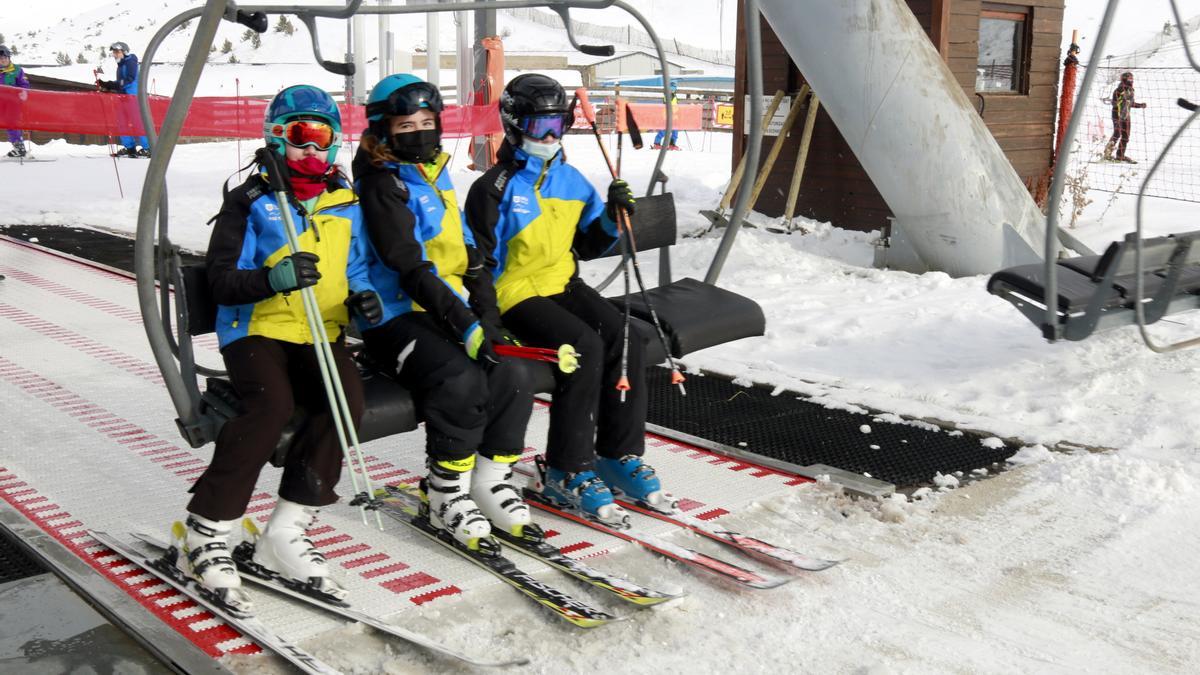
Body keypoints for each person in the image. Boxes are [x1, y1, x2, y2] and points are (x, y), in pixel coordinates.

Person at [177, 84, 379, 612]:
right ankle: (206, 529)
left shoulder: (345, 200)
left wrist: (363, 301)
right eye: (299, 137)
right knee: (271, 407)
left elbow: (356, 270)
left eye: (321, 138)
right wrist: (273, 278)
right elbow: (222, 281)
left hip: (319, 331)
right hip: (256, 328)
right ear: (276, 138)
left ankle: (285, 530)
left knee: (346, 404)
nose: (311, 150)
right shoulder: (251, 201)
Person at [464, 73, 670, 526]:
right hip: (515, 292)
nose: (551, 136)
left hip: (561, 284)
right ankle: (566, 467)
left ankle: (616, 454)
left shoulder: (571, 180)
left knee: (627, 335)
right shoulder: (494, 188)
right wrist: (487, 318)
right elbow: (477, 263)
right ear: (516, 126)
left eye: (559, 124)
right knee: (582, 347)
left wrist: (615, 218)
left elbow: (591, 244)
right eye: (541, 126)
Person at [352, 74, 535, 549]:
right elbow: (408, 265)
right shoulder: (380, 182)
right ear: (382, 129)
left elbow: (466, 249)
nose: (420, 132)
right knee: (460, 378)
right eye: (406, 124)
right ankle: (444, 491)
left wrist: (488, 322)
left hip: (441, 304)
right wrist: (466, 325)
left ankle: (490, 479)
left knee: (512, 368)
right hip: (393, 314)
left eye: (428, 122)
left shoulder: (433, 168)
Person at [97, 42, 150, 157]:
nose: (115, 54)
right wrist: (108, 86)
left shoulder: (130, 62)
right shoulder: (121, 65)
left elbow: (129, 79)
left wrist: (111, 84)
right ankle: (130, 147)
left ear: (124, 52)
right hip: (123, 97)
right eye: (114, 52)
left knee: (137, 123)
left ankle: (148, 148)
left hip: (132, 97)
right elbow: (121, 83)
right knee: (122, 123)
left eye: (117, 52)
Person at [1104, 71, 1147, 164]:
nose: (1131, 81)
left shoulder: (1131, 91)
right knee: (1117, 133)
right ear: (1124, 80)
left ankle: (1120, 156)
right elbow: (1114, 103)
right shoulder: (1118, 90)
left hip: (1126, 115)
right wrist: (1121, 97)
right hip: (1117, 114)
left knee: (1126, 136)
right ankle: (1107, 153)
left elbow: (1131, 104)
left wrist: (1141, 105)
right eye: (1129, 79)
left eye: (1132, 79)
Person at [0, 45, 31, 158]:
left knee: (11, 123)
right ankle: (17, 146)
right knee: (7, 124)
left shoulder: (17, 70)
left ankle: (19, 146)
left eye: (5, 58)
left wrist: (24, 92)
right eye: (0, 59)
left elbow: (24, 84)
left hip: (13, 103)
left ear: (9, 58)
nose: (3, 60)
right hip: (1, 103)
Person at [652, 81, 680, 151]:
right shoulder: (668, 95)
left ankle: (672, 144)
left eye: (674, 88)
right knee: (665, 130)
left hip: (674, 116)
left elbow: (675, 106)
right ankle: (657, 143)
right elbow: (667, 104)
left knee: (675, 131)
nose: (673, 89)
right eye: (671, 88)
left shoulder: (674, 95)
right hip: (668, 116)